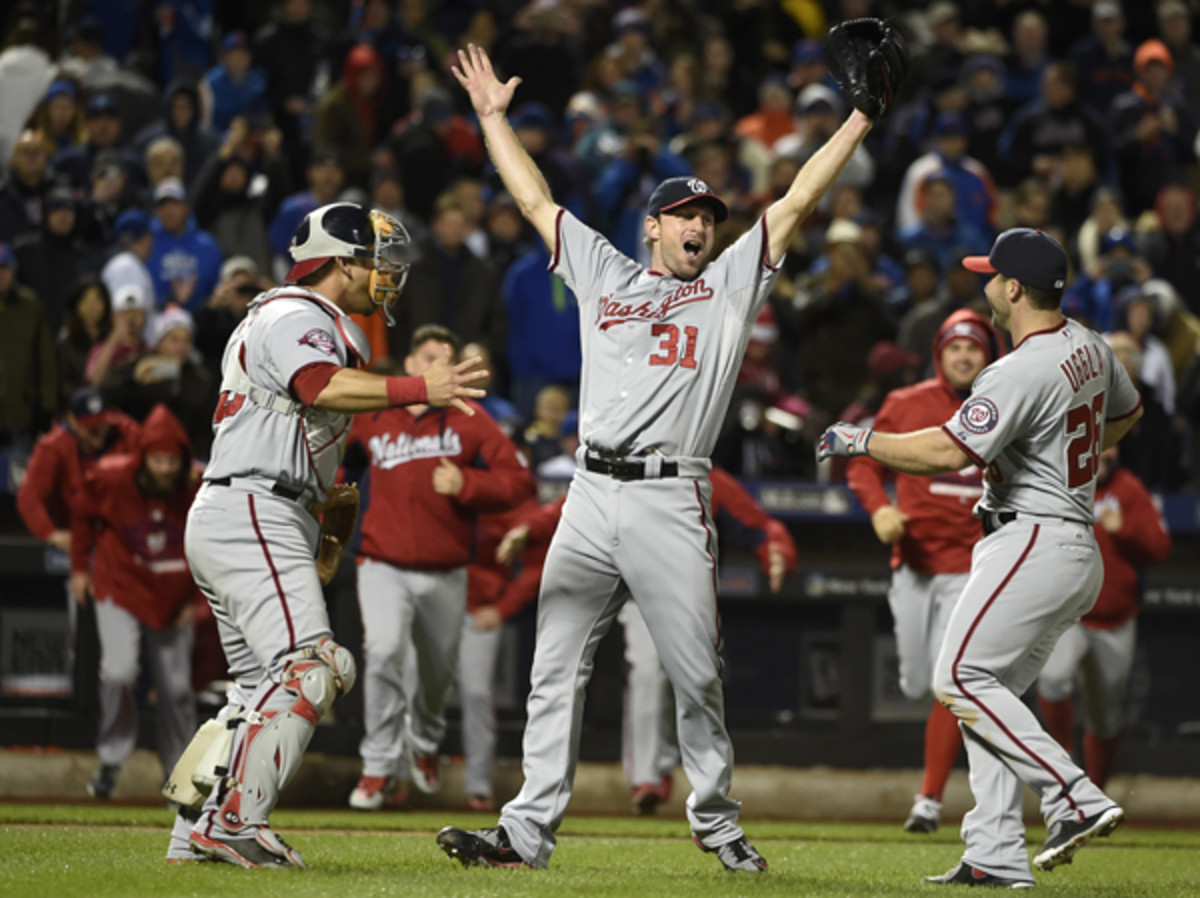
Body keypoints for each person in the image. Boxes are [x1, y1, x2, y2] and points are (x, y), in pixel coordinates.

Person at [438, 38, 892, 873]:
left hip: (668, 500)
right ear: (653, 225)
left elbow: (793, 203)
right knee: (553, 669)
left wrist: (860, 116)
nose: (700, 225)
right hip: (589, 492)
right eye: (686, 215)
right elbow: (536, 201)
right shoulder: (606, 273)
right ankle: (524, 834)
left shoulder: (725, 288)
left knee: (695, 676)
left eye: (709, 217)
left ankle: (717, 821)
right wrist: (494, 122)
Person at [164, 201, 486, 868]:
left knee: (258, 691)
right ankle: (231, 824)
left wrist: (322, 512)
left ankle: (194, 831)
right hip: (253, 505)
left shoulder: (303, 319)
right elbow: (317, 386)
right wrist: (418, 386)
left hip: (252, 507)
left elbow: (299, 421)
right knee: (314, 667)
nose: (384, 274)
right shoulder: (294, 313)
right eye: (373, 260)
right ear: (340, 263)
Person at [818, 228, 1143, 887]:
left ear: (1014, 289)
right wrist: (1059, 448)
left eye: (992, 275)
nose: (985, 282)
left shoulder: (1019, 367)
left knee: (959, 682)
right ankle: (994, 853)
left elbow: (944, 452)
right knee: (993, 693)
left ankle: (1073, 796)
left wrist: (860, 439)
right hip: (1069, 543)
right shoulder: (1089, 343)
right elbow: (1127, 417)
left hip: (1032, 536)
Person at [345, 324, 534, 812]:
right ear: (409, 365)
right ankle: (378, 766)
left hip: (447, 571)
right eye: (430, 357)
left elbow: (518, 482)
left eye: (446, 360)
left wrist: (469, 483)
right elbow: (332, 460)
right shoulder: (374, 412)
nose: (438, 368)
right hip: (381, 563)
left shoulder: (469, 417)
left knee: (435, 676)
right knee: (383, 653)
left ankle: (425, 742)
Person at [846, 310, 1004, 835]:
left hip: (971, 565)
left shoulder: (1006, 404)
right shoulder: (906, 403)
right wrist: (878, 509)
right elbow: (863, 462)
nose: (964, 356)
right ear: (939, 353)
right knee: (916, 681)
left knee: (948, 680)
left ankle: (929, 801)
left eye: (974, 348)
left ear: (988, 355)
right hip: (913, 565)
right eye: (955, 347)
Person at [70, 404, 200, 799]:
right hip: (121, 583)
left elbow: (213, 547)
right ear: (143, 456)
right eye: (157, 458)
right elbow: (81, 514)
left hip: (173, 597)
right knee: (119, 672)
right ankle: (111, 761)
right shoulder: (111, 477)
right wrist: (79, 567)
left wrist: (199, 602)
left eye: (171, 459)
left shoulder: (199, 487)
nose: (163, 467)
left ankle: (182, 780)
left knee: (177, 689)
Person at [1037, 448, 1171, 790]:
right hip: (1069, 616)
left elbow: (1159, 548)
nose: (1103, 453)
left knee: (1105, 717)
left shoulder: (1129, 490)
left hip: (1115, 620)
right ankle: (1063, 759)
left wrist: (1124, 528)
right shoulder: (1059, 484)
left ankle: (1095, 793)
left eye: (1109, 446)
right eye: (1097, 445)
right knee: (1052, 678)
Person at [17, 387, 140, 557]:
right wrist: (50, 533)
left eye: (101, 423)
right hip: (78, 537)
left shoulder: (126, 431)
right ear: (72, 421)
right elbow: (29, 495)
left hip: (125, 534)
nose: (96, 432)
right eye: (89, 427)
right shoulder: (54, 445)